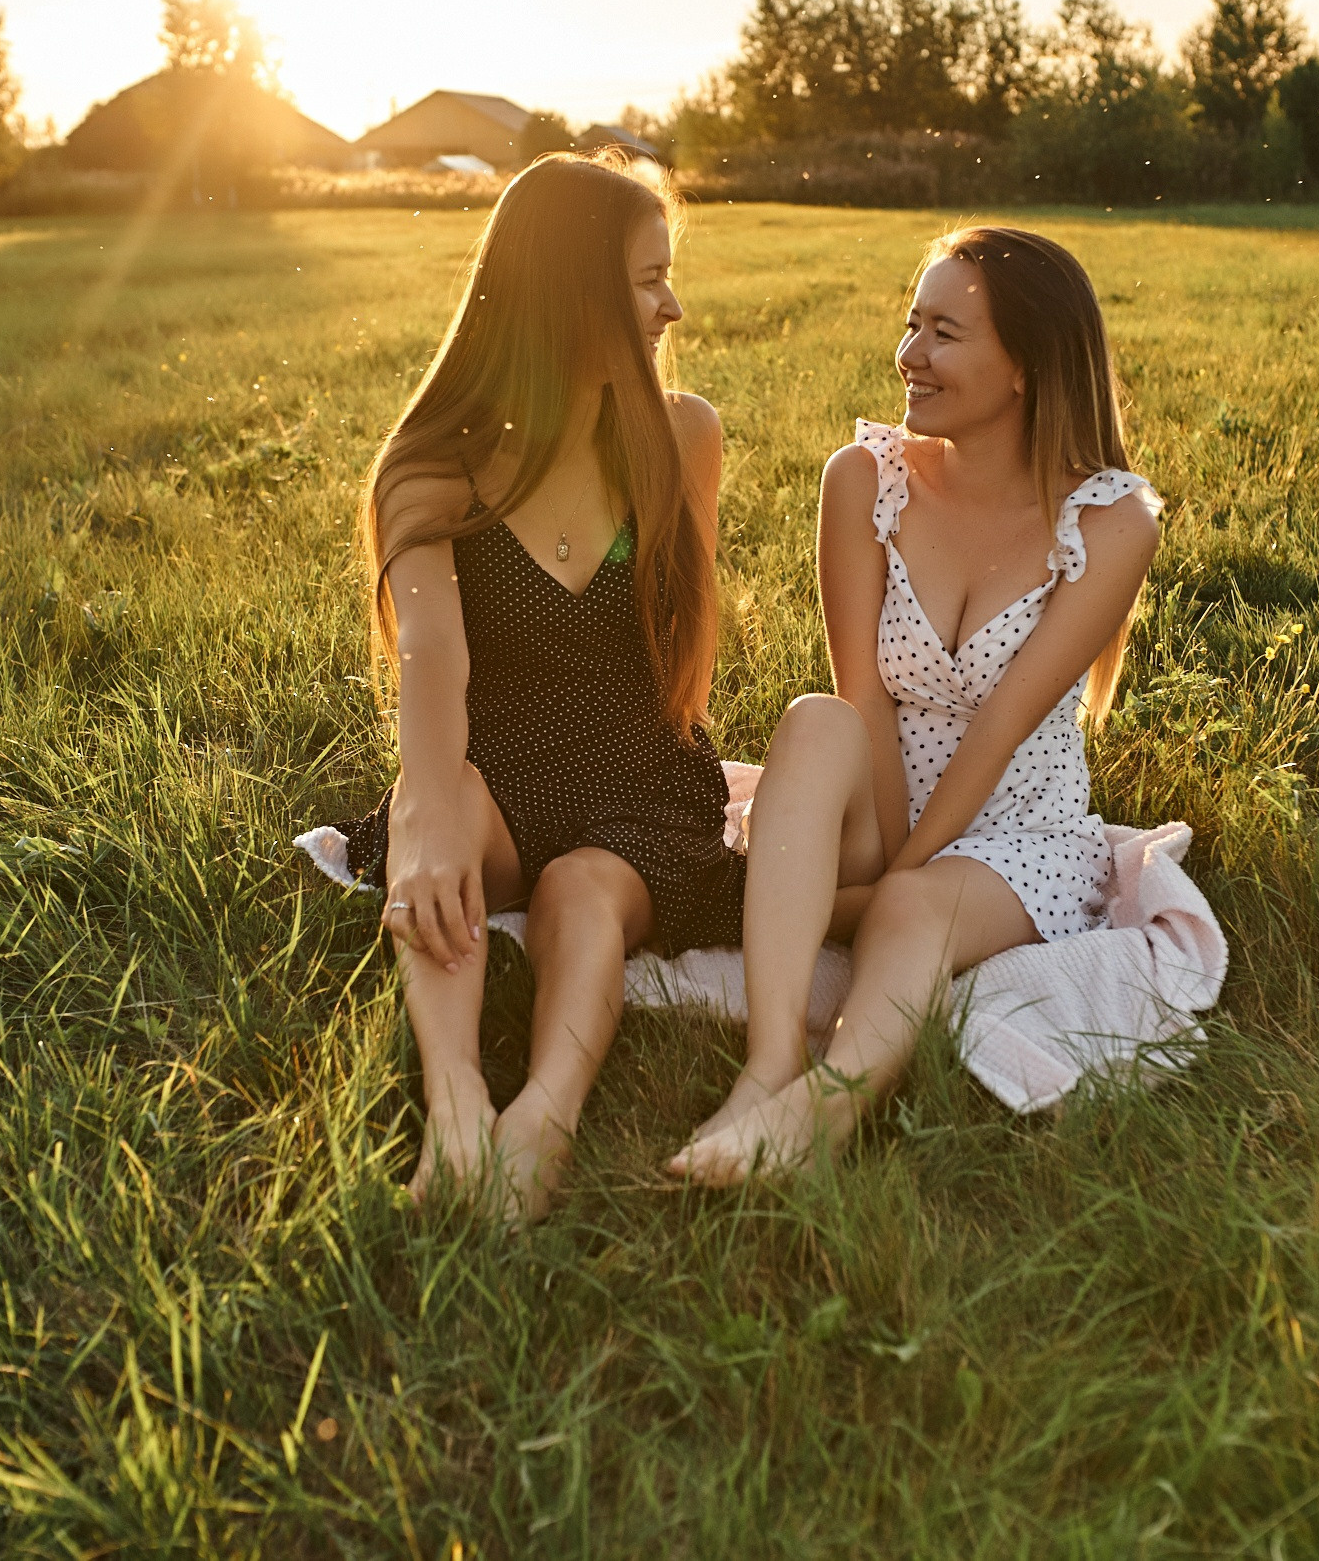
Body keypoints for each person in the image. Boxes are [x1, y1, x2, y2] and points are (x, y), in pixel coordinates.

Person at [667, 227, 1161, 1184]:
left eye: (944, 332)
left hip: (1015, 823)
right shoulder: (863, 480)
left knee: (913, 907)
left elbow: (1007, 721)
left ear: (1026, 366)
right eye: (911, 323)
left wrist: (901, 874)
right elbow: (864, 696)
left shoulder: (1111, 519)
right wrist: (882, 849)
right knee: (817, 715)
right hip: (881, 792)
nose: (909, 356)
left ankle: (823, 1112)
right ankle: (768, 1061)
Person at [306, 154, 742, 1221]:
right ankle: (453, 1096)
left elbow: (682, 652)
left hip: (638, 761)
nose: (671, 305)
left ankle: (542, 1118)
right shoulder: (431, 462)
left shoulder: (680, 436)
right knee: (435, 808)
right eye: (646, 278)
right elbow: (434, 659)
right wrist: (430, 808)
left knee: (585, 893)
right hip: (493, 753)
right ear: (569, 287)